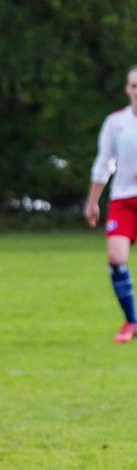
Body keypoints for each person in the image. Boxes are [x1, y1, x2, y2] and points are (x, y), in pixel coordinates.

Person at [86, 64, 137, 343]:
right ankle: (131, 321)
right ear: (127, 89)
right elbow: (103, 163)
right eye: (134, 85)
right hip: (122, 200)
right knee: (116, 259)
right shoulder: (115, 122)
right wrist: (93, 201)